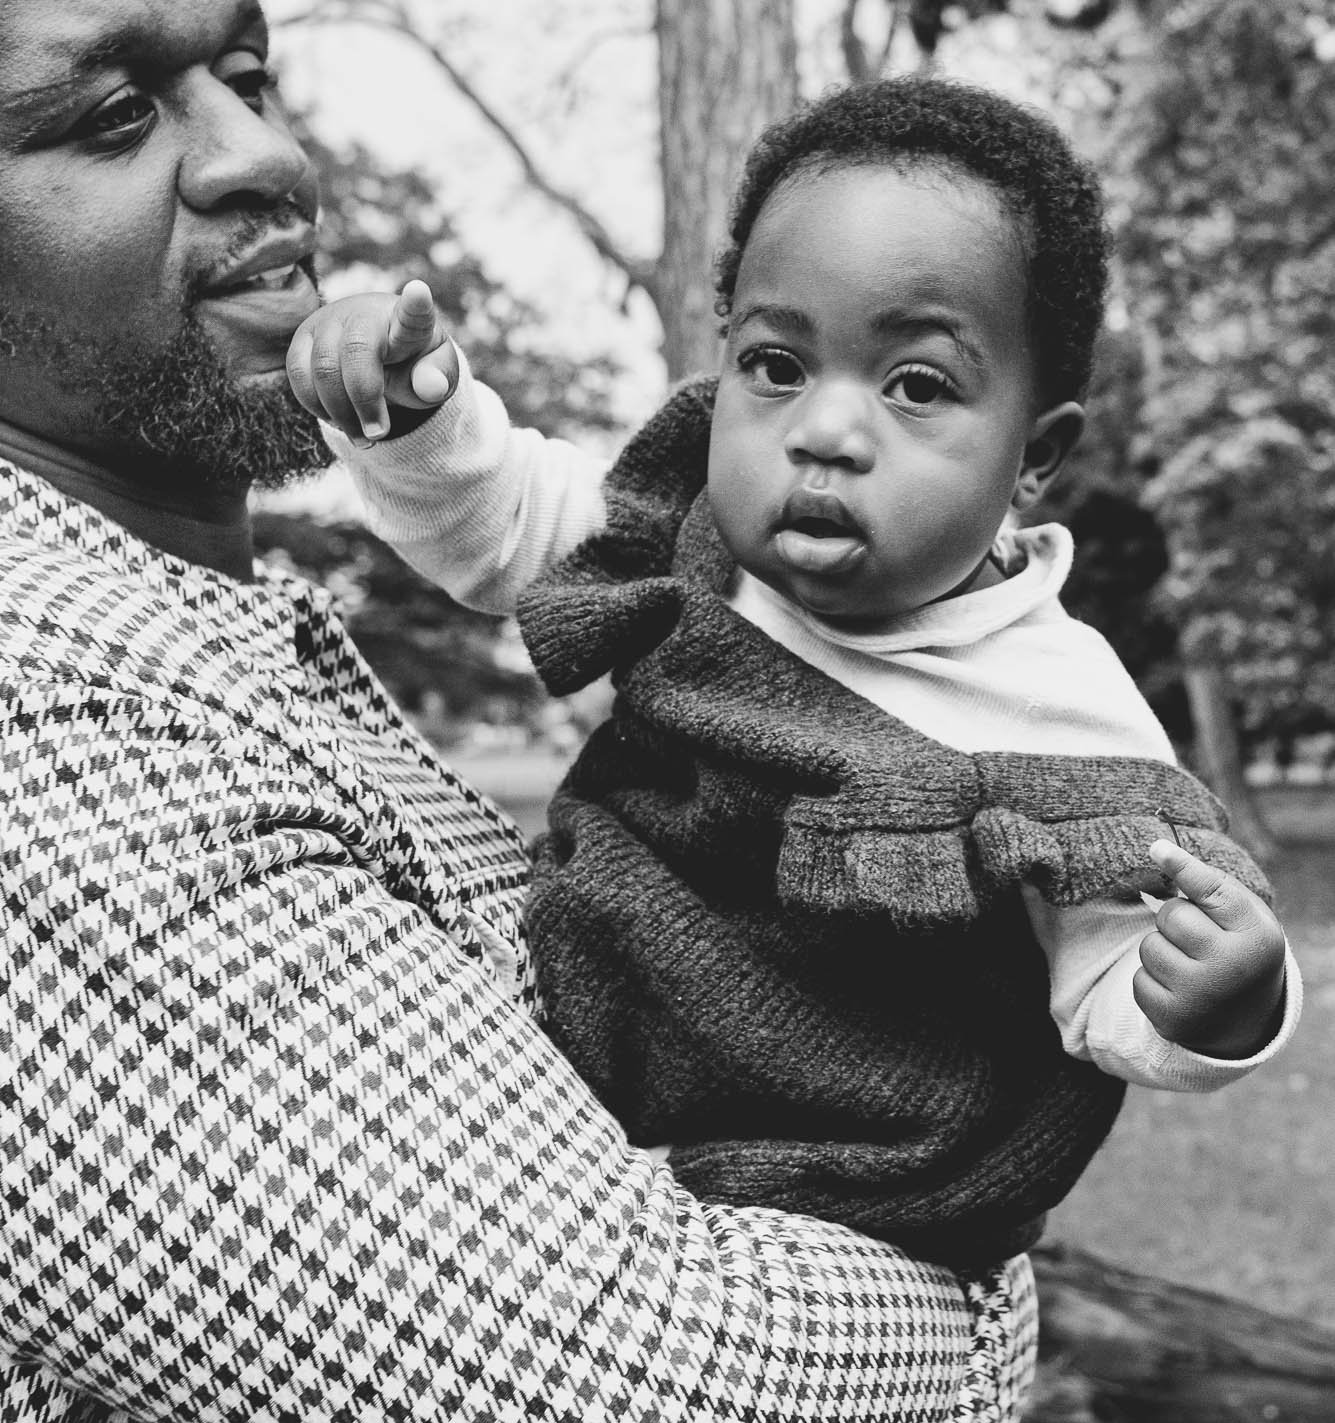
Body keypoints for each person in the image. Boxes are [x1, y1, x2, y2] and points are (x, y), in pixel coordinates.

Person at [0, 0, 1042, 1423]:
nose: (264, 155)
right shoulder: (41, 734)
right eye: (111, 118)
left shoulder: (191, 632)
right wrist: (982, 1267)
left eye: (247, 74)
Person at [290, 78, 1300, 1271]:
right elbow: (504, 517)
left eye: (916, 383)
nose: (823, 427)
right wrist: (417, 414)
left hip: (843, 1194)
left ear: (1035, 457)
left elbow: (1110, 974)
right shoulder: (690, 545)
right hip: (569, 1061)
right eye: (776, 363)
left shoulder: (1061, 717)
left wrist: (1224, 1002)